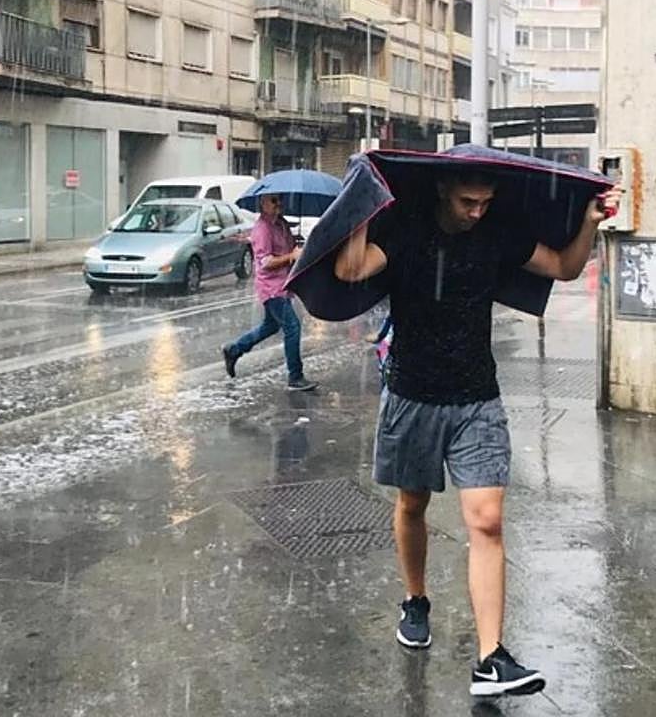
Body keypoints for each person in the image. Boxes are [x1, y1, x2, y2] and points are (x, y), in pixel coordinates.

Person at [334, 169, 622, 698]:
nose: (476, 212)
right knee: (412, 504)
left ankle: (491, 659)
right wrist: (360, 206)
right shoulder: (407, 231)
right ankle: (416, 600)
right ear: (443, 189)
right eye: (468, 201)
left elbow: (564, 267)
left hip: (477, 399)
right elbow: (350, 269)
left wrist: (589, 222)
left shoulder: (497, 233)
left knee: (487, 520)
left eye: (486, 202)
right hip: (413, 396)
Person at [222, 193, 317, 392]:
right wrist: (290, 256)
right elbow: (265, 262)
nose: (278, 204)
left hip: (283, 285)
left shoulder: (281, 224)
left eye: (280, 199)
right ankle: (295, 376)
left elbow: (290, 249)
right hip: (272, 288)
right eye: (273, 201)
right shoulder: (262, 229)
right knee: (292, 327)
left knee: (271, 326)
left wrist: (297, 246)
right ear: (263, 203)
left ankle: (234, 349)